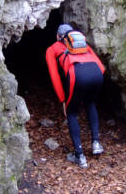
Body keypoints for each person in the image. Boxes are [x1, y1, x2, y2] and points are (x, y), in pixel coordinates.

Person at [45, 24, 105, 168]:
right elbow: (101, 67)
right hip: (96, 74)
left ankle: (80, 155)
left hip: (76, 74)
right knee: (90, 103)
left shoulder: (52, 49)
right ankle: (96, 143)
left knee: (71, 112)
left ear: (58, 36)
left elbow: (55, 76)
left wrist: (63, 100)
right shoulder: (83, 45)